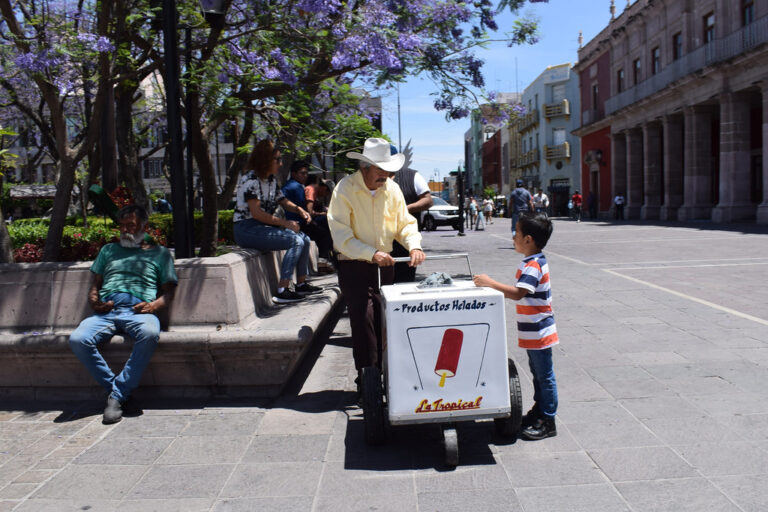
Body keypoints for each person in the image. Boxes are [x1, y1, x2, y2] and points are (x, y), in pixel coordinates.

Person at [327, 138, 424, 393]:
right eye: (380, 169)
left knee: (384, 319)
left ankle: (385, 374)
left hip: (385, 266)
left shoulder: (391, 189)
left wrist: (414, 245)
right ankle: (367, 378)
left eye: (387, 169)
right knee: (363, 320)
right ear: (365, 167)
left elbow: (405, 223)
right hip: (354, 265)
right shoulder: (344, 188)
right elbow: (341, 236)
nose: (385, 175)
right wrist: (371, 254)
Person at [69, 204, 178, 424]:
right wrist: (94, 300)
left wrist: (153, 306)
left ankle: (116, 396)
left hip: (139, 310)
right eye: (122, 226)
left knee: (149, 333)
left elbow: (169, 292)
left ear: (145, 226)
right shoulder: (108, 250)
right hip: (106, 311)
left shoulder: (160, 253)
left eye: (131, 225)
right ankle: (119, 394)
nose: (125, 230)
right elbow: (95, 284)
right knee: (78, 339)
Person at [473, 212, 559, 440]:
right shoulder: (532, 261)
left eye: (517, 233)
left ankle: (548, 419)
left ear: (528, 240)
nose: (513, 237)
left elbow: (518, 293)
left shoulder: (533, 265)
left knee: (544, 375)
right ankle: (539, 411)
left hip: (540, 331)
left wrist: (490, 283)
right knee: (538, 374)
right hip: (534, 330)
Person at [233, 139, 321, 304]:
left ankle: (301, 284)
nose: (281, 164)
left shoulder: (271, 180)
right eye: (277, 159)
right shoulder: (251, 180)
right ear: (265, 159)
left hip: (260, 227)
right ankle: (282, 290)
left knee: (305, 238)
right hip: (245, 229)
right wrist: (285, 223)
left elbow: (283, 201)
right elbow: (257, 213)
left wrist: (299, 210)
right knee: (295, 241)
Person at [281, 160, 334, 272]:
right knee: (324, 233)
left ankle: (324, 262)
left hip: (295, 222)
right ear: (294, 173)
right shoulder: (296, 187)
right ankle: (323, 262)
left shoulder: (291, 186)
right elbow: (306, 210)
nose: (305, 176)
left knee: (323, 230)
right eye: (302, 173)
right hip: (298, 223)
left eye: (306, 173)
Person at [391, 145, 433, 283]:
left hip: (405, 243)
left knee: (403, 282)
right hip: (378, 245)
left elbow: (428, 200)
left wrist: (405, 209)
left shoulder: (413, 176)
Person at [304, 175, 336, 271]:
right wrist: (323, 213)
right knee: (325, 232)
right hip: (305, 222)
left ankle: (326, 260)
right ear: (324, 187)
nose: (326, 195)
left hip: (313, 221)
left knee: (329, 231)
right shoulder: (312, 190)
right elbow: (309, 211)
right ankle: (324, 260)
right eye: (327, 192)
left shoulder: (315, 193)